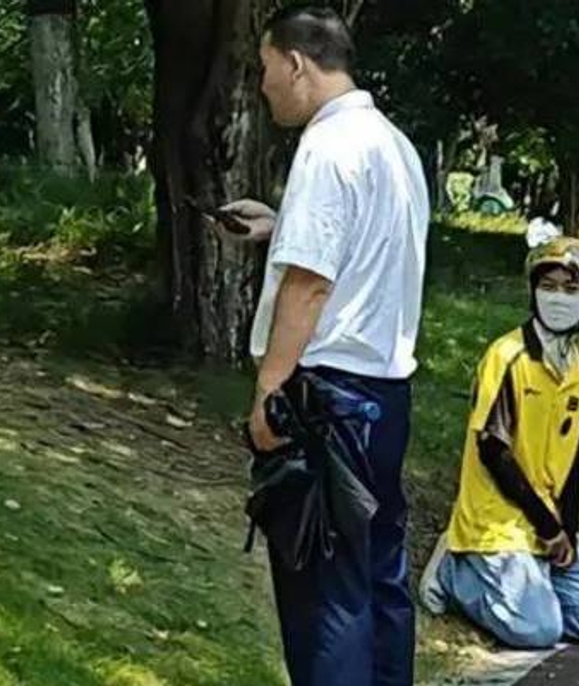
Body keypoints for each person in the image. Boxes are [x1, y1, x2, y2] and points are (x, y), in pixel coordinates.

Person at [213, 6, 429, 685]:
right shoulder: (392, 144)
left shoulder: (327, 146)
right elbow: (365, 249)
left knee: (324, 598)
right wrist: (282, 228)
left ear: (298, 63)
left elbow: (310, 285)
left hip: (327, 404)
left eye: (267, 70)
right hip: (385, 397)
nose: (263, 85)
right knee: (378, 583)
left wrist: (269, 395)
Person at [418, 237, 579, 649]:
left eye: (572, 288)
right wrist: (548, 528)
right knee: (539, 631)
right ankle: (454, 571)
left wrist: (567, 529)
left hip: (546, 520)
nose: (559, 298)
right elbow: (493, 449)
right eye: (549, 285)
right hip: (498, 521)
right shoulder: (507, 356)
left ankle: (533, 583)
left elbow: (574, 455)